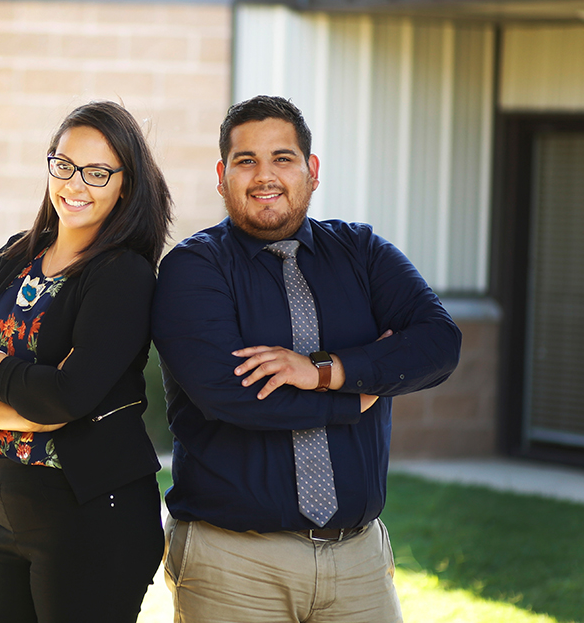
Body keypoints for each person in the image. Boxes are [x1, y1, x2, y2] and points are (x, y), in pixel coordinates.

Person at [152, 95, 461, 623]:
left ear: (311, 171)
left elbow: (438, 342)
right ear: (222, 176)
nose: (264, 176)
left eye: (283, 158)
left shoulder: (363, 252)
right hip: (235, 564)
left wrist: (325, 371)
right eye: (246, 161)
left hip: (359, 561)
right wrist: (361, 391)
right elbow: (233, 396)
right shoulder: (193, 269)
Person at [0, 101, 173, 623]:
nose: (75, 184)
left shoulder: (123, 275)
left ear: (125, 186)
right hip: (10, 509)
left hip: (94, 516)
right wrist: (3, 411)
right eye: (64, 165)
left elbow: (68, 396)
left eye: (97, 173)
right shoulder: (15, 256)